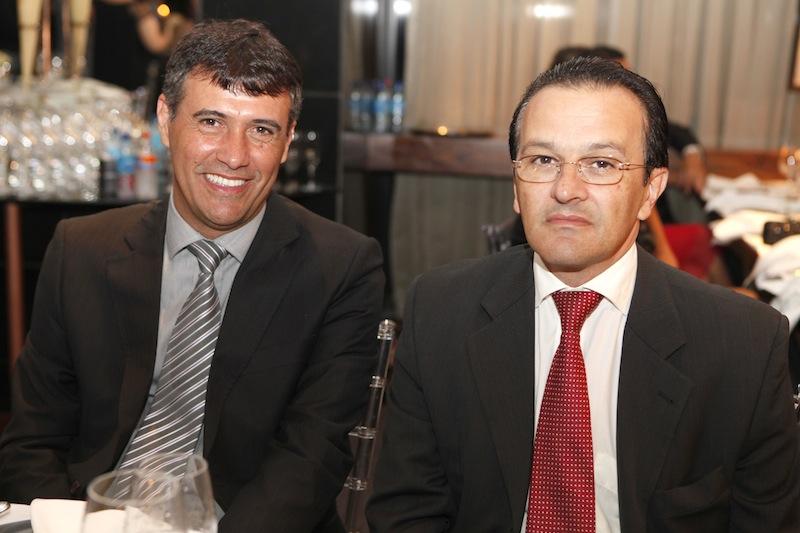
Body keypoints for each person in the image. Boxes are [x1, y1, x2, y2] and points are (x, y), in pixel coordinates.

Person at [367, 57, 799, 531]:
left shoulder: (743, 346)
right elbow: (406, 512)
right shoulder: (441, 312)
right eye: (543, 160)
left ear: (650, 191)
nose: (566, 190)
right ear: (516, 185)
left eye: (600, 164)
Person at [0, 19, 384, 532]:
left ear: (288, 139)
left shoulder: (341, 267)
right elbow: (33, 438)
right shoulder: (81, 250)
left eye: (262, 130)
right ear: (165, 119)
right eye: (211, 121)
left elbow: (311, 459)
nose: (234, 155)